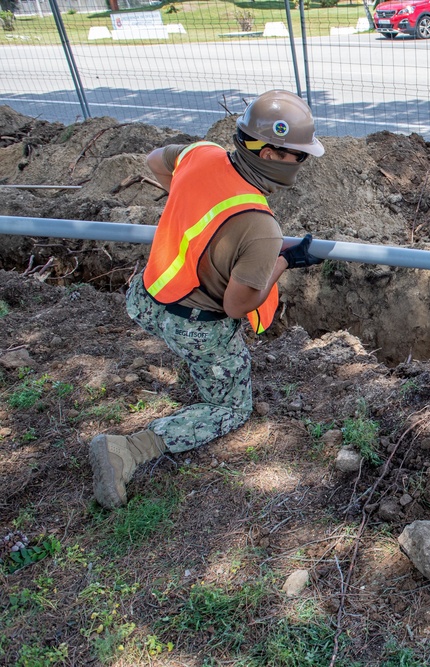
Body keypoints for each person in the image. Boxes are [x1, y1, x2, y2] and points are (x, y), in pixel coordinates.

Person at [88, 90, 326, 509]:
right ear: (270, 153)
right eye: (299, 157)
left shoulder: (201, 154)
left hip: (148, 297)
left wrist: (184, 199)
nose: (303, 165)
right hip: (193, 325)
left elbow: (155, 162)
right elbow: (237, 306)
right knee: (233, 408)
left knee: (194, 349)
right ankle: (128, 450)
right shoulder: (260, 228)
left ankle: (194, 367)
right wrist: (286, 261)